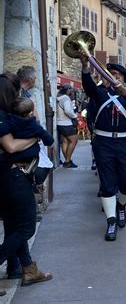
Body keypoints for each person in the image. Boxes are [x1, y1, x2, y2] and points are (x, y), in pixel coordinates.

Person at [0, 73, 53, 287]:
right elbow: (11, 147)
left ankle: (24, 268)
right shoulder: (4, 117)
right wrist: (35, 134)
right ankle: (21, 266)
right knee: (26, 227)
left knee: (14, 225)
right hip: (14, 175)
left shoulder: (9, 116)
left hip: (9, 176)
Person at [80, 59, 126, 241]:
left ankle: (121, 206)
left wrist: (124, 91)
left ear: (123, 78)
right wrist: (85, 68)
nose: (112, 77)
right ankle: (111, 220)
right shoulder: (99, 93)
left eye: (116, 75)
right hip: (104, 143)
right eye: (109, 74)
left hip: (125, 143)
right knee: (107, 184)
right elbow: (88, 87)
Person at [57, 84, 78, 168]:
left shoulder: (58, 97)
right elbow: (68, 111)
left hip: (59, 123)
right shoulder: (65, 98)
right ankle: (67, 160)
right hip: (66, 123)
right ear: (68, 90)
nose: (72, 91)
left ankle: (67, 160)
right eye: (71, 89)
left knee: (65, 141)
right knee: (74, 140)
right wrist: (75, 116)